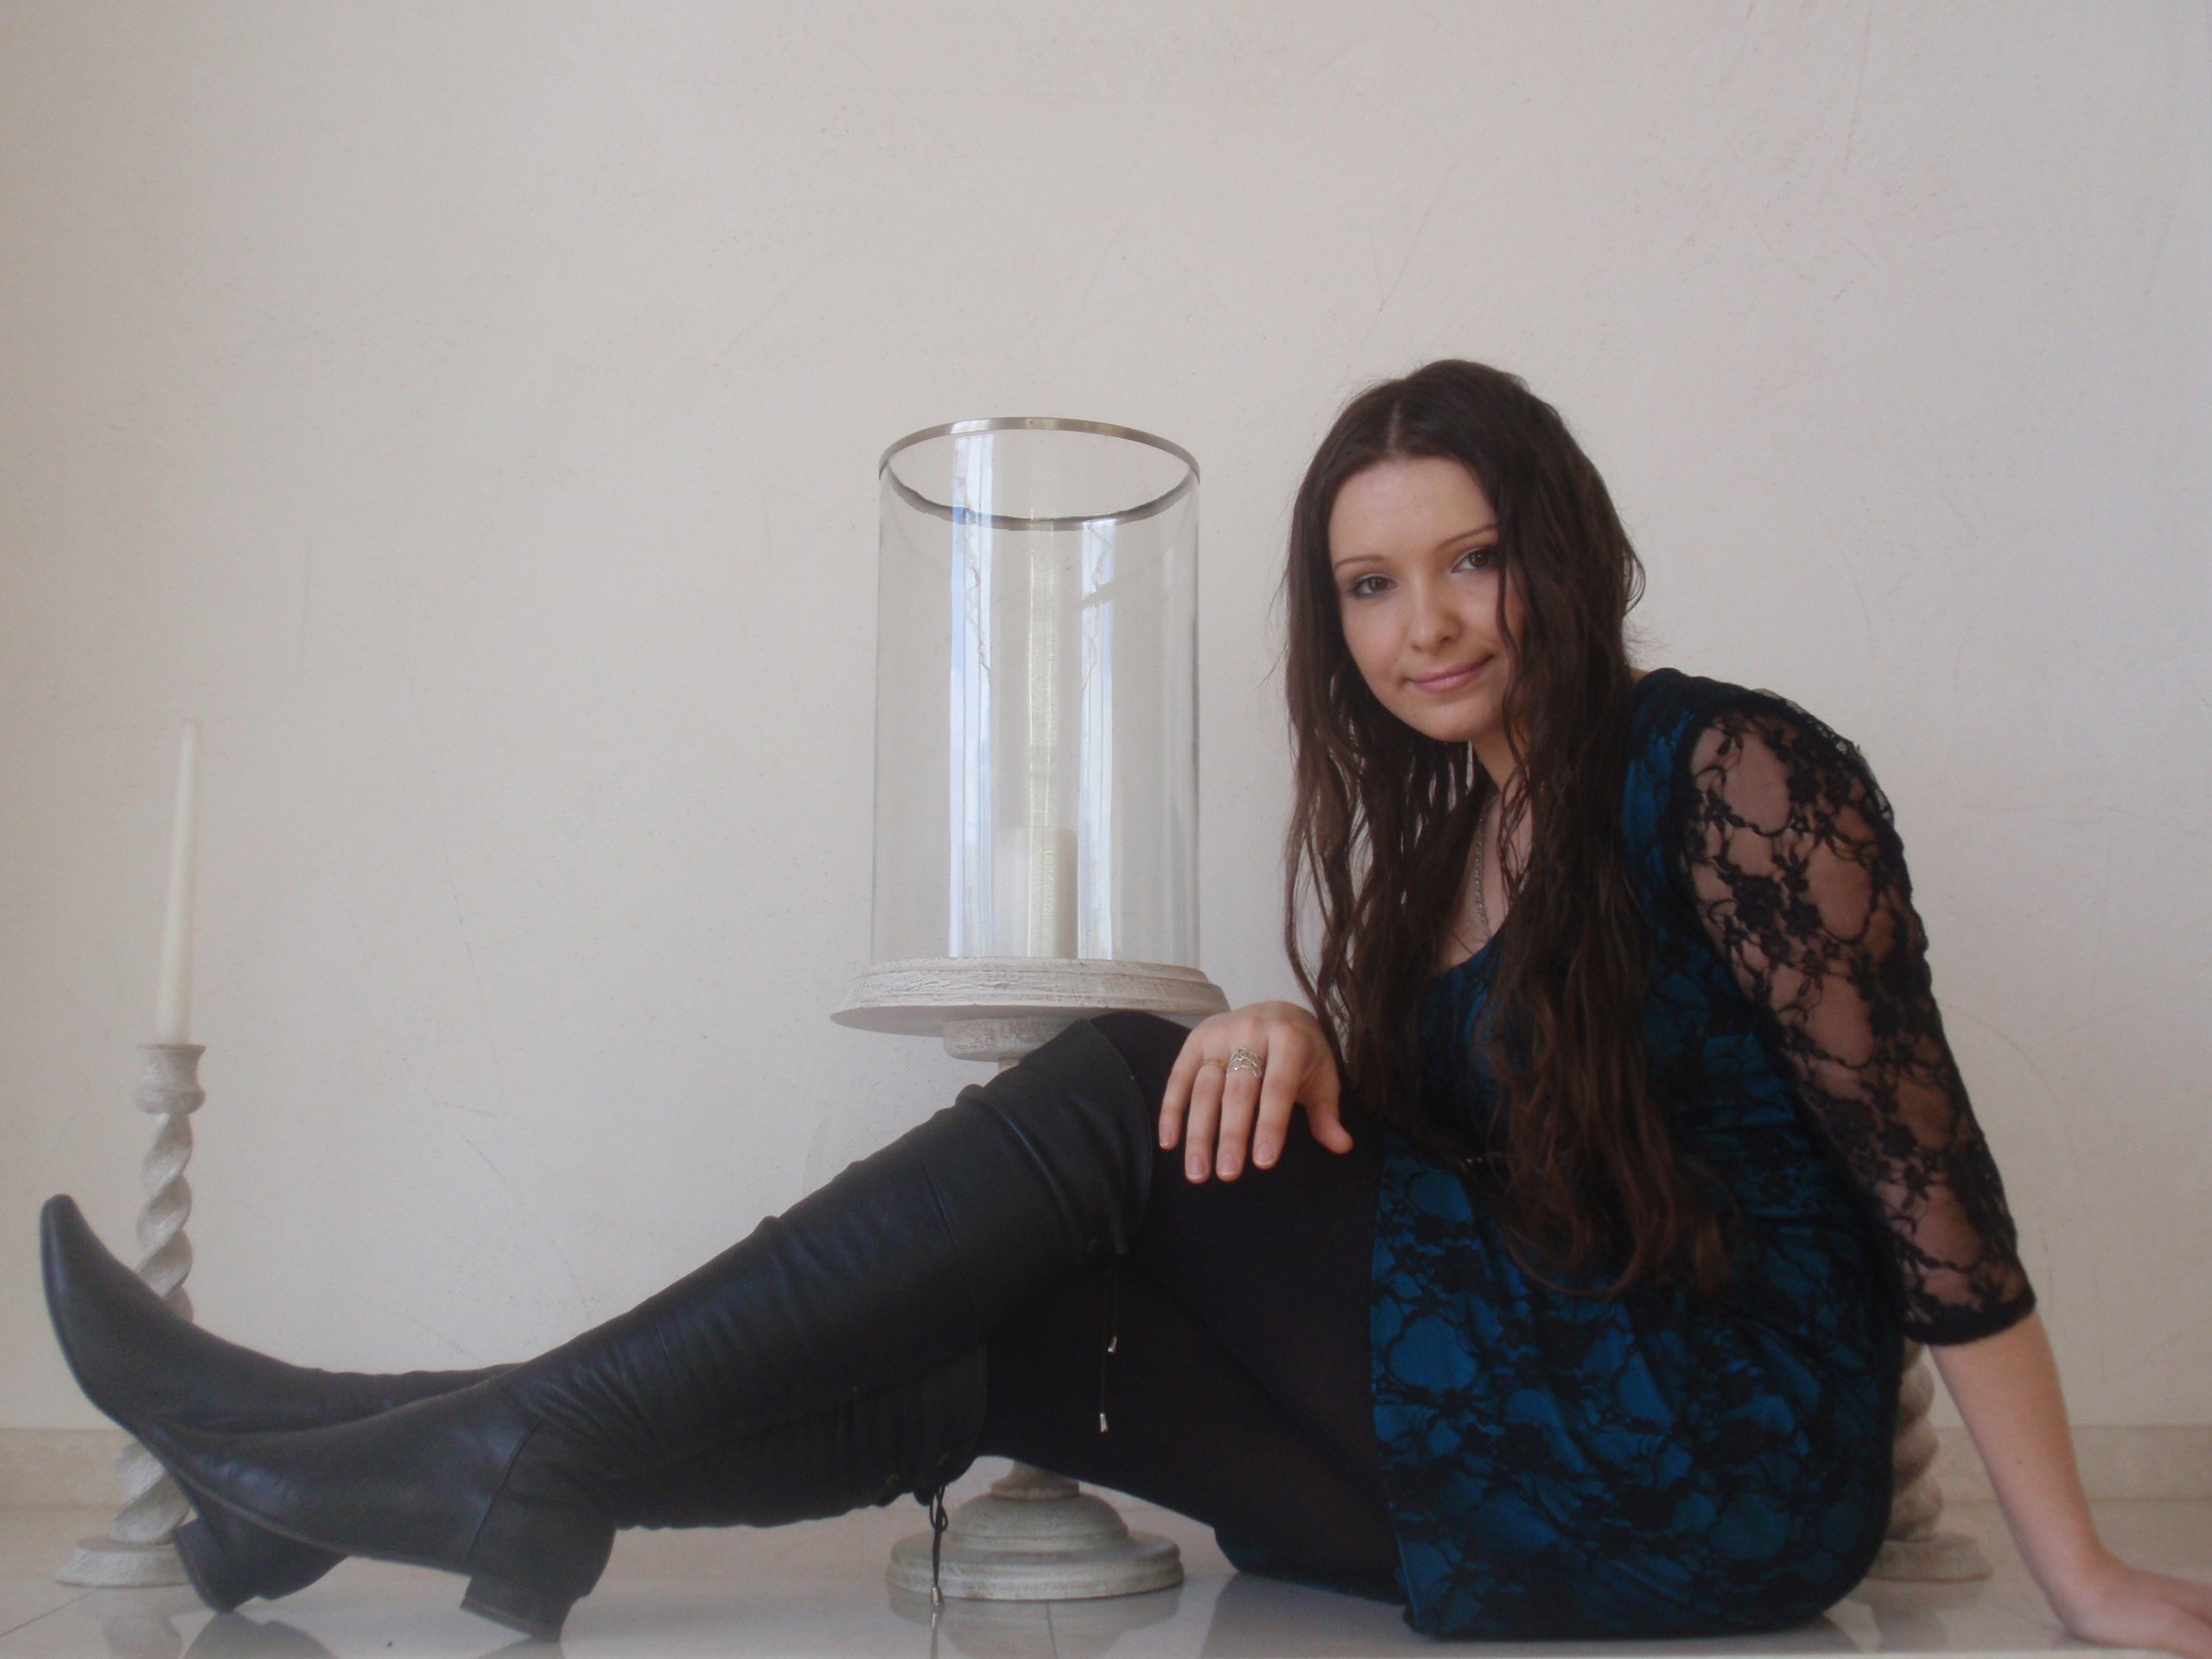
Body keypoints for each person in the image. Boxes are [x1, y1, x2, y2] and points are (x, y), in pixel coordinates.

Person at [40, 359, 2212, 1653]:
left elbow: (1925, 1180)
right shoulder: (1441, 856)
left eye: (1469, 558)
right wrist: (1304, 1037)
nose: (1426, 624)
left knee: (1112, 1085)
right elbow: (1429, 1191)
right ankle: (330, 1483)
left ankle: (480, 1446)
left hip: (1717, 1457)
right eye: (1369, 584)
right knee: (1014, 1338)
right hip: (1496, 1474)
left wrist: (2084, 1572)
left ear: (1560, 549)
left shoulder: (1726, 769)